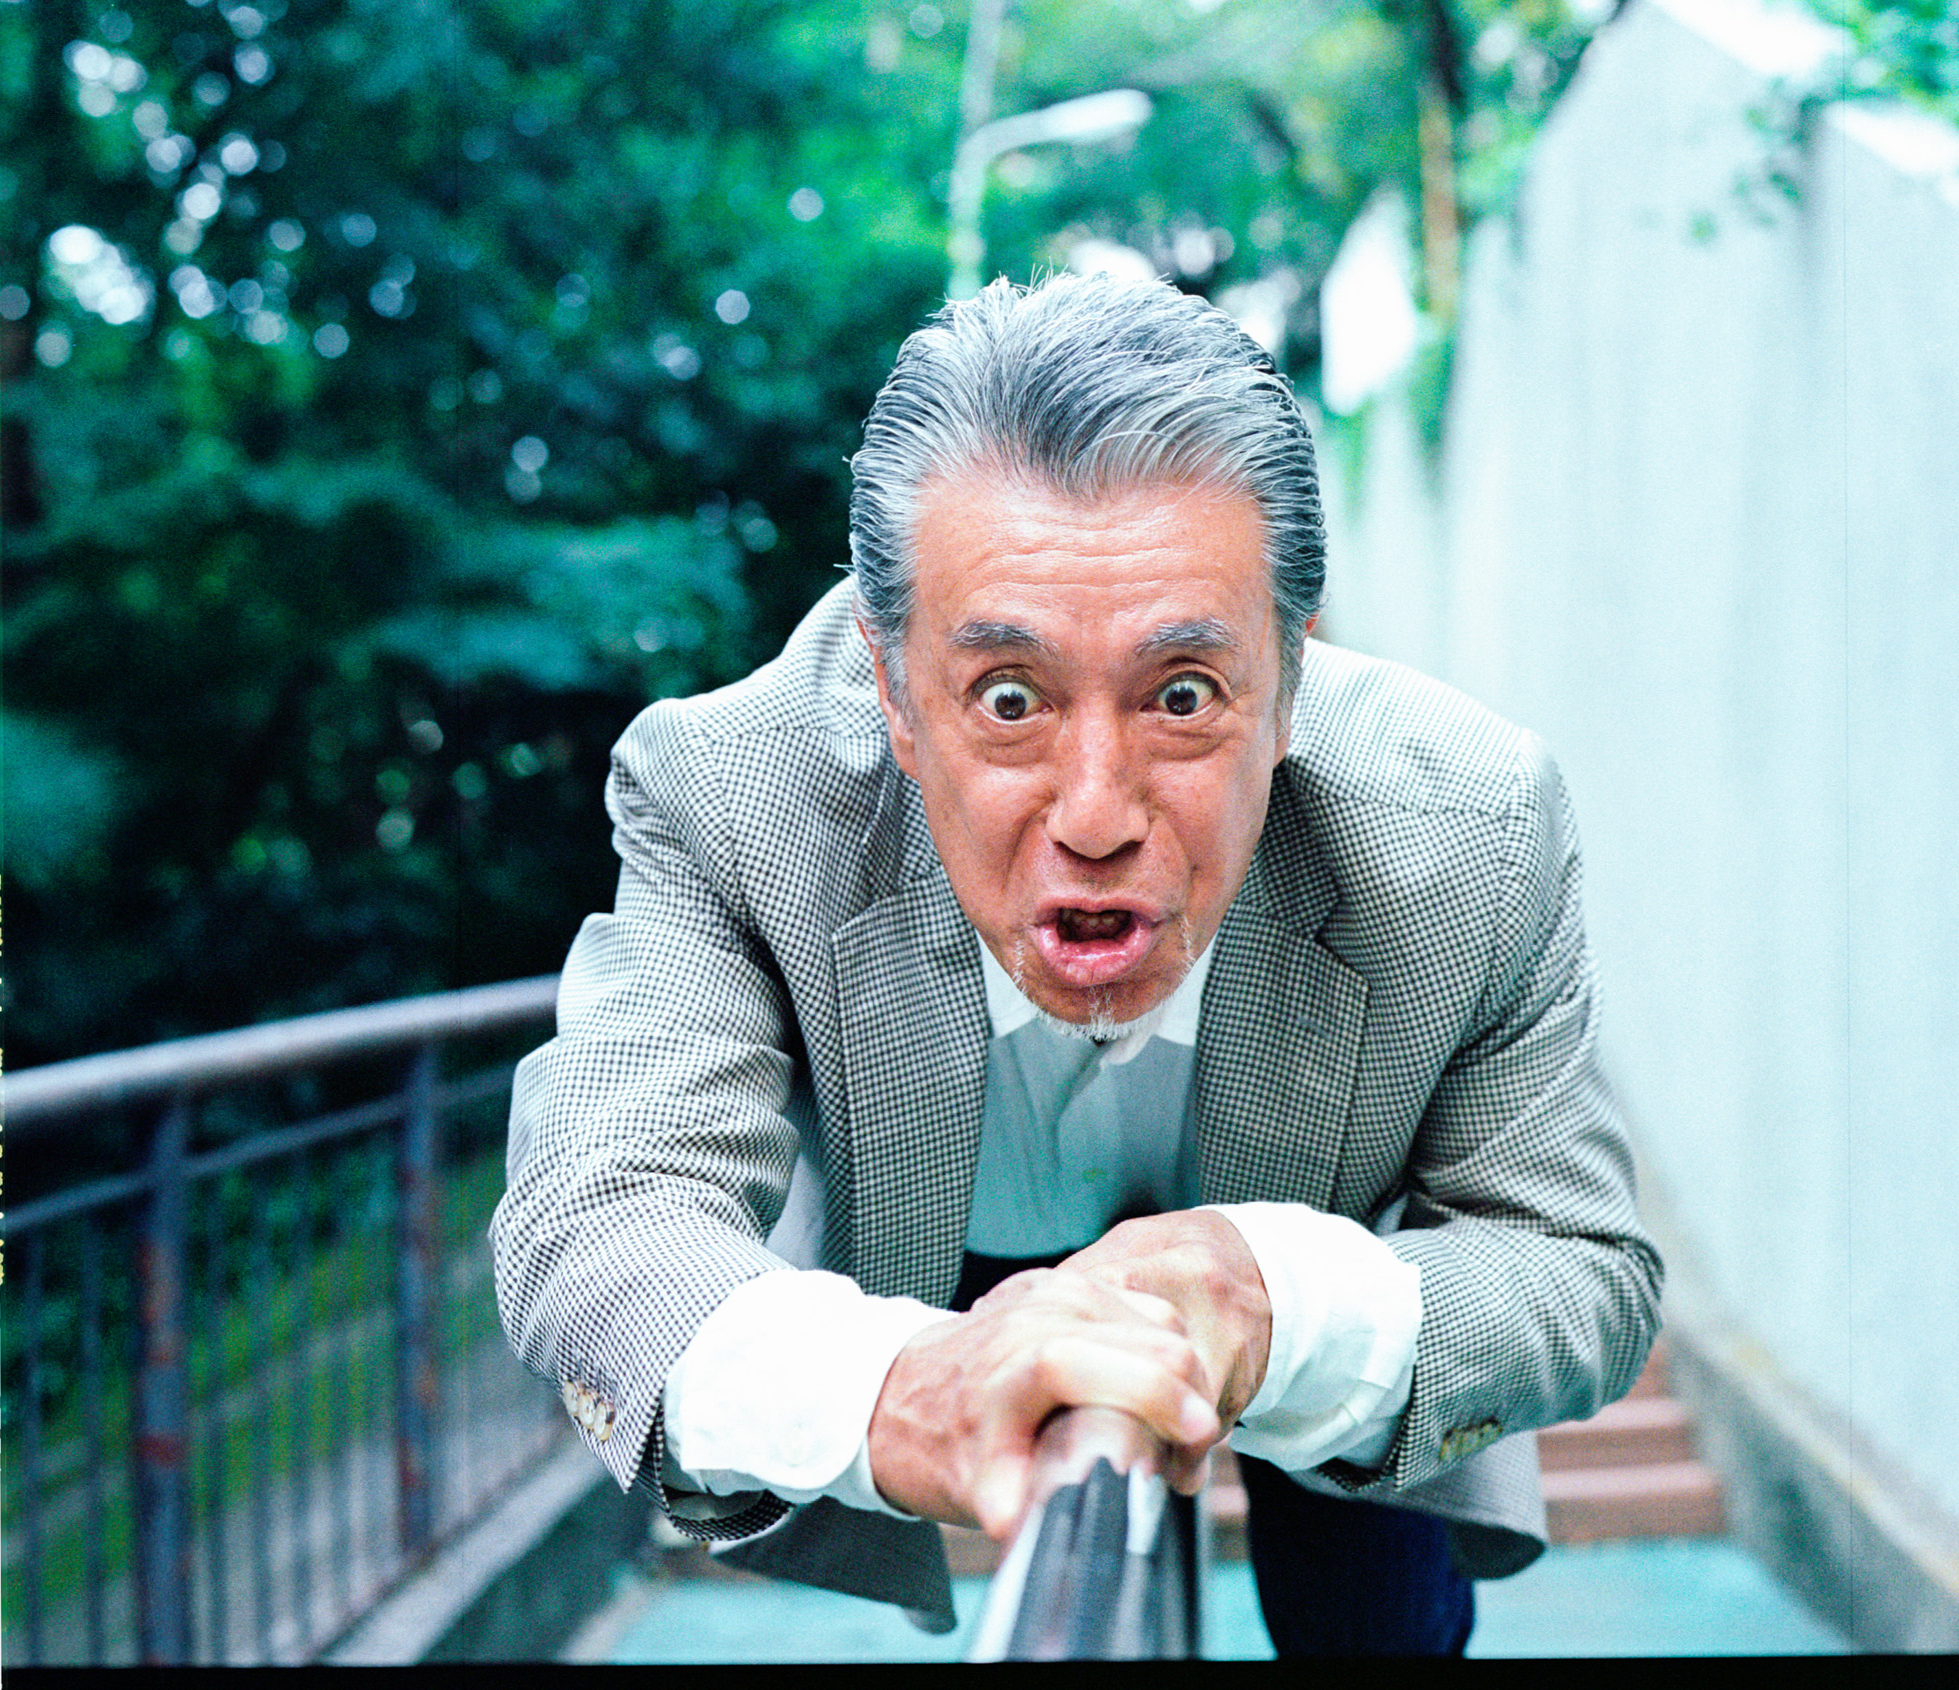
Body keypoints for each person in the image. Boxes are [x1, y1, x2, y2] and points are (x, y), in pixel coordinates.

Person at [491, 272, 1661, 1656]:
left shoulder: (1474, 823)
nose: (1096, 815)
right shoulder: (732, 793)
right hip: (936, 1248)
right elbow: (597, 1202)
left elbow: (1576, 1254)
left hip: (1310, 1241)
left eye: (1182, 695)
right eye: (1008, 698)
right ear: (892, 689)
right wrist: (910, 1386)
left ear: (1290, 682)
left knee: (1382, 1619)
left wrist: (1281, 1304)